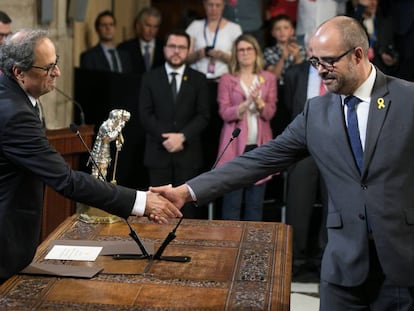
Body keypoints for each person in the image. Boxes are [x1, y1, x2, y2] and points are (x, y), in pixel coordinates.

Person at [151, 16, 414, 310]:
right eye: (314, 61)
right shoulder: (316, 112)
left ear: (357, 55)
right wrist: (187, 191)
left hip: (403, 269)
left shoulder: (408, 99)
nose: (320, 71)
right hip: (343, 272)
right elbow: (259, 160)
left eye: (328, 61)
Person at [0, 29, 181, 284]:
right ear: (19, 72)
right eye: (48, 67)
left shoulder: (18, 97)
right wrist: (141, 202)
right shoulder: (14, 113)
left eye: (57, 61)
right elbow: (66, 180)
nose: (57, 72)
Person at [139, 30, 210, 219]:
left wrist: (182, 137)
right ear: (164, 49)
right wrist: (167, 138)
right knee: (157, 212)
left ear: (188, 51)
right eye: (172, 46)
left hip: (188, 156)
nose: (176, 51)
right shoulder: (150, 78)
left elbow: (203, 115)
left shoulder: (199, 79)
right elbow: (145, 114)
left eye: (181, 47)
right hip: (158, 153)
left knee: (187, 213)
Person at [216, 34, 276, 221]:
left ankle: (252, 249)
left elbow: (270, 113)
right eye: (241, 49)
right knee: (232, 203)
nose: (245, 53)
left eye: (249, 49)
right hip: (234, 148)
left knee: (255, 204)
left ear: (256, 52)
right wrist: (245, 103)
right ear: (235, 54)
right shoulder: (227, 79)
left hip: (259, 146)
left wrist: (258, 103)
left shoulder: (268, 78)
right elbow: (225, 113)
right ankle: (229, 249)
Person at [283, 33, 328, 280]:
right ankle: (296, 261)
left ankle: (325, 261)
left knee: (334, 208)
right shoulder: (293, 74)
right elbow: (288, 112)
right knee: (298, 207)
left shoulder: (337, 73)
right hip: (303, 149)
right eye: (310, 47)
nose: (314, 52)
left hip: (335, 150)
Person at [185, 0, 242, 80]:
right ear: (204, 5)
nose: (213, 9)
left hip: (223, 80)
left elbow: (240, 60)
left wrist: (222, 56)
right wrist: (198, 54)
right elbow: (184, 58)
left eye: (218, 5)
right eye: (210, 5)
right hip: (196, 79)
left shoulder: (234, 29)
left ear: (223, 6)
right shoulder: (195, 26)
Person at [118, 7, 165, 74]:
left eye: (155, 27)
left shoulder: (164, 48)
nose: (151, 31)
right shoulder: (125, 48)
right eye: (148, 25)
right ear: (138, 25)